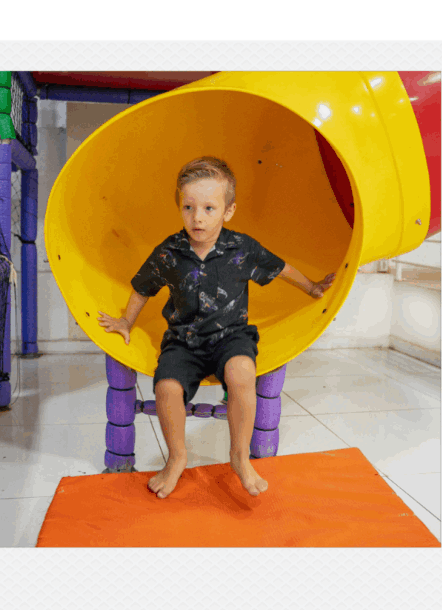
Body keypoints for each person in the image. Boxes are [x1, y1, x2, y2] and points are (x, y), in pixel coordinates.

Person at [98, 156, 335, 499]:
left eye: (209, 208)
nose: (198, 217)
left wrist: (312, 287)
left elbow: (280, 267)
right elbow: (142, 287)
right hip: (183, 341)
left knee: (242, 373)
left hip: (231, 336)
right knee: (166, 388)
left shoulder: (242, 248)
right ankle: (177, 458)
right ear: (180, 208)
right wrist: (125, 321)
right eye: (189, 207)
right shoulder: (170, 251)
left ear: (228, 211)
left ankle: (239, 457)